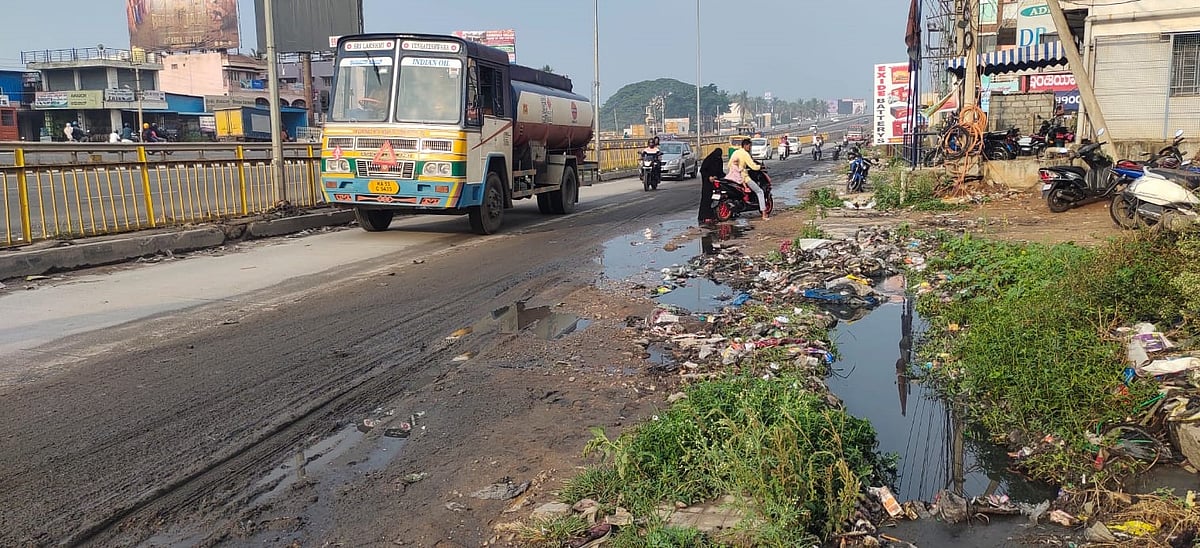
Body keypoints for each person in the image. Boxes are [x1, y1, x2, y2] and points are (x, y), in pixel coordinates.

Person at [727, 138, 769, 220]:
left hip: (732, 176)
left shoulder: (736, 152)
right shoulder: (745, 154)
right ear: (746, 145)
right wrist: (760, 167)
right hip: (743, 177)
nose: (750, 148)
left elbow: (729, 165)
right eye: (750, 146)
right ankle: (764, 213)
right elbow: (753, 166)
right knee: (759, 191)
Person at [697, 148, 724, 225]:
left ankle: (713, 216)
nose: (718, 157)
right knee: (706, 200)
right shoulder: (709, 159)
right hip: (707, 183)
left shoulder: (719, 160)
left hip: (715, 183)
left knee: (715, 200)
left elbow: (720, 172)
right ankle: (704, 217)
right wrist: (709, 177)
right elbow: (703, 170)